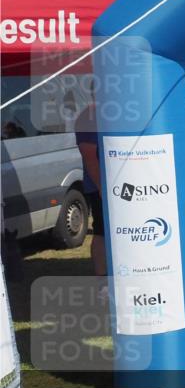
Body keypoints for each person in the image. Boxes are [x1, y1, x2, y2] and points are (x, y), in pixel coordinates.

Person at [75, 104, 106, 276]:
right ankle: (102, 279)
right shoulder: (89, 116)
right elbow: (88, 155)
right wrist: (101, 186)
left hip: (121, 187)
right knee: (102, 231)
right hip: (100, 187)